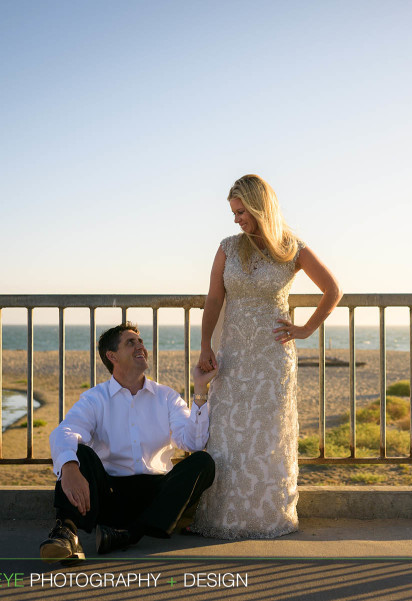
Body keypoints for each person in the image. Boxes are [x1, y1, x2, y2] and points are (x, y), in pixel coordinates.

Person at [191, 174, 341, 539]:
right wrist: (205, 345)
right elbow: (214, 299)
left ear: (259, 207)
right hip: (234, 357)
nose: (236, 218)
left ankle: (267, 516)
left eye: (241, 211)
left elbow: (332, 290)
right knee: (228, 433)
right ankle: (225, 517)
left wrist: (304, 329)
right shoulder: (228, 246)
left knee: (268, 436)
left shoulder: (292, 247)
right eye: (233, 212)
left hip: (272, 359)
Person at [39, 322, 218, 563]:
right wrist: (69, 467)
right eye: (130, 342)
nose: (140, 346)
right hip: (110, 495)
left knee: (203, 462)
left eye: (141, 342)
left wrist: (199, 388)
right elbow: (66, 430)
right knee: (77, 452)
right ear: (111, 356)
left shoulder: (166, 396)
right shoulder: (95, 398)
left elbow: (193, 442)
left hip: (156, 495)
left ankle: (128, 535)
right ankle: (66, 533)